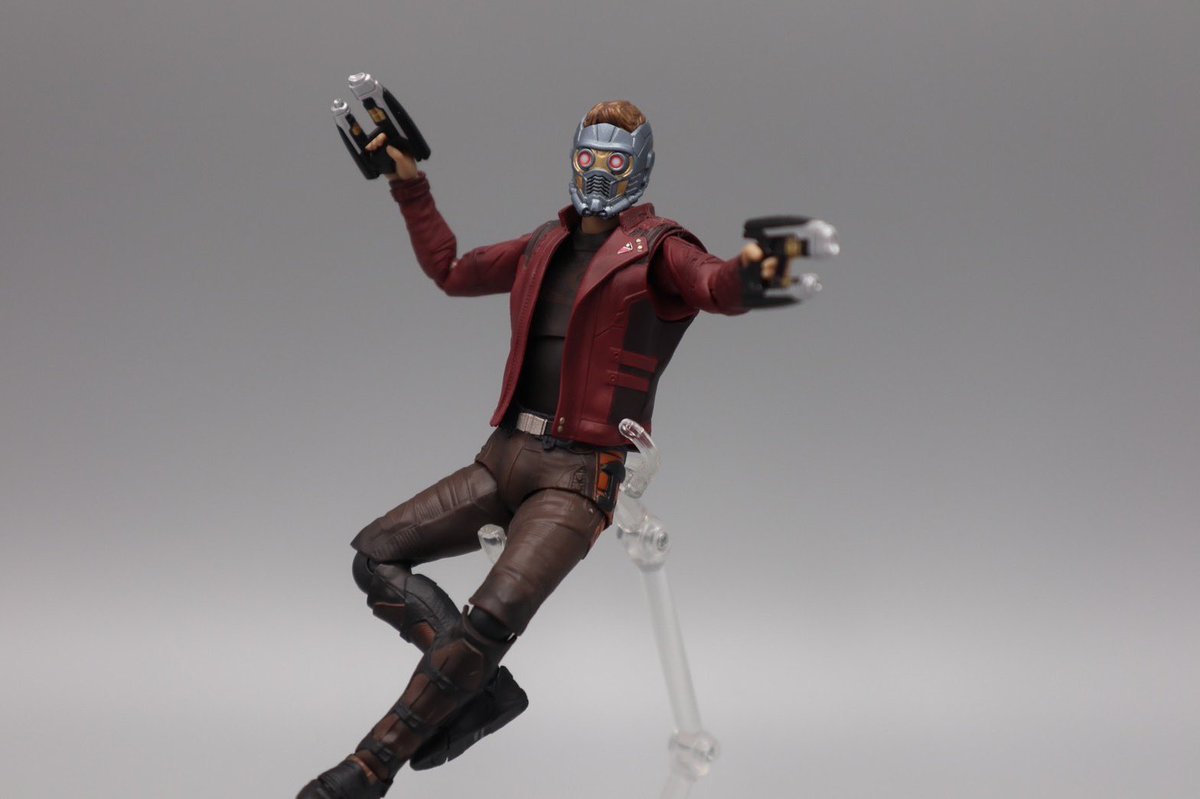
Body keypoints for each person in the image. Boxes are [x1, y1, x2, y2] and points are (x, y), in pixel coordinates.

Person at [299, 99, 783, 799]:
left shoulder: (659, 250)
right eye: (588, 157)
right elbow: (452, 269)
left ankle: (371, 767)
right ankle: (482, 687)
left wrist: (762, 265)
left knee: (490, 616)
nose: (598, 171)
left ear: (639, 167)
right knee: (374, 555)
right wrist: (409, 183)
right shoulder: (542, 244)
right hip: (504, 455)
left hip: (580, 475)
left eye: (614, 161)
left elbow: (715, 285)